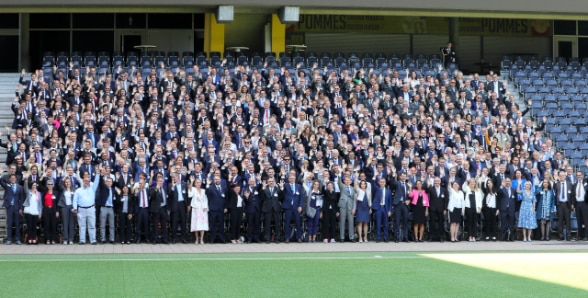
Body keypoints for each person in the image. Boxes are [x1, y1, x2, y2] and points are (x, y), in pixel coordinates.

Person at [73, 170, 100, 245]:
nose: (86, 182)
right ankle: (82, 240)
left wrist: (97, 174)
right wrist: (75, 208)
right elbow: (75, 200)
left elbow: (96, 182)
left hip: (91, 209)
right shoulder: (78, 190)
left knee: (92, 225)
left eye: (88, 181)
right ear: (83, 181)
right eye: (85, 181)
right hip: (81, 209)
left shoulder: (92, 189)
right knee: (82, 226)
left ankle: (93, 240)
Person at [283, 170, 304, 243]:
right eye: (290, 178)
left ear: (295, 179)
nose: (292, 179)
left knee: (298, 223)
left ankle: (299, 237)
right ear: (288, 179)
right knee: (287, 223)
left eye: (293, 178)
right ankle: (287, 237)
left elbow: (301, 197)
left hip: (296, 207)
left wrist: (300, 206)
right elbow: (282, 193)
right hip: (288, 207)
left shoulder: (299, 186)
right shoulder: (285, 185)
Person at [206, 174, 228, 244]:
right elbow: (207, 193)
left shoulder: (223, 188)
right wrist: (207, 185)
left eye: (218, 179)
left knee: (221, 225)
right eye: (215, 179)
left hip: (221, 209)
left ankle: (222, 238)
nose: (217, 180)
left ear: (220, 180)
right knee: (213, 225)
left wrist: (225, 207)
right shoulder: (211, 187)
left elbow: (226, 199)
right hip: (213, 209)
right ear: (213, 180)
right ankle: (213, 239)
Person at [96, 167, 116, 244]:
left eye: (110, 181)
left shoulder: (113, 189)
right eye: (107, 181)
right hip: (103, 208)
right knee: (102, 225)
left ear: (112, 183)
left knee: (112, 225)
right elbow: (101, 181)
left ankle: (112, 239)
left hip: (111, 208)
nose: (108, 182)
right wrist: (101, 175)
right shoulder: (103, 188)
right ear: (105, 182)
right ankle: (103, 239)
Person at [261, 177, 283, 244]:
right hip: (267, 209)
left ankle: (277, 238)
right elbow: (261, 197)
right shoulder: (265, 189)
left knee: (277, 224)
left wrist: (282, 188)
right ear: (267, 182)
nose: (271, 182)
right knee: (267, 225)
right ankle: (267, 238)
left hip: (276, 209)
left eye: (272, 181)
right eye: (270, 181)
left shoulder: (278, 189)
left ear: (274, 182)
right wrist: (263, 188)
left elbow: (282, 197)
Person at [149, 172, 170, 244]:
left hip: (163, 208)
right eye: (159, 181)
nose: (161, 182)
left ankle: (164, 239)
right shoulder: (153, 188)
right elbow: (151, 196)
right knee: (155, 224)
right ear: (157, 182)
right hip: (156, 209)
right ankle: (155, 239)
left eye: (162, 181)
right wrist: (156, 189)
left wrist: (168, 208)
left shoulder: (165, 188)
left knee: (164, 224)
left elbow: (167, 198)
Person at [169, 173, 189, 244]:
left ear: (179, 178)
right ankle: (174, 238)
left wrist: (188, 205)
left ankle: (184, 238)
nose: (174, 179)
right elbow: (169, 196)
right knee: (174, 222)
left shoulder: (184, 184)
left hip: (183, 204)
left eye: (175, 178)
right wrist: (173, 187)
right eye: (173, 178)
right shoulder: (171, 185)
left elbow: (187, 195)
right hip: (175, 205)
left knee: (184, 222)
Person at [427, 177, 448, 242]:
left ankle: (441, 237)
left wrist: (445, 209)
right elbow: (427, 193)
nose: (436, 182)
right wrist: (428, 185)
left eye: (438, 181)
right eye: (435, 181)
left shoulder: (444, 189)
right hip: (432, 208)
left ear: (440, 182)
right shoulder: (431, 189)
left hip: (441, 208)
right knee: (432, 223)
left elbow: (446, 200)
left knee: (441, 223)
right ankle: (431, 237)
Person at [372, 177, 392, 243]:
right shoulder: (377, 189)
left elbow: (390, 202)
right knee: (378, 223)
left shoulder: (388, 191)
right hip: (378, 208)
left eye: (383, 182)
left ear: (385, 183)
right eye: (381, 182)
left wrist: (389, 210)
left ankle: (385, 238)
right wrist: (374, 177)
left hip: (385, 208)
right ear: (379, 183)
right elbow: (373, 184)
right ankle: (378, 238)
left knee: (385, 224)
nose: (382, 183)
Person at [554, 171, 573, 241]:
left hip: (567, 204)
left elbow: (572, 195)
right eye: (560, 176)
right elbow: (554, 193)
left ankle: (568, 236)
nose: (562, 177)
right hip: (560, 204)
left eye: (563, 175)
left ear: (565, 176)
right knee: (560, 221)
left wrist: (572, 204)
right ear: (559, 176)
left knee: (568, 221)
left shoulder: (570, 184)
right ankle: (561, 236)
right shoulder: (557, 184)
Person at [337, 173, 356, 243]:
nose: (347, 181)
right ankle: (342, 237)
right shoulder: (342, 187)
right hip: (343, 206)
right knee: (342, 222)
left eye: (349, 180)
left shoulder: (353, 189)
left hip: (350, 207)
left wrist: (354, 208)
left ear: (351, 182)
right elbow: (339, 182)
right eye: (346, 180)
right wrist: (339, 174)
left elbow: (354, 199)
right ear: (344, 181)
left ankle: (351, 237)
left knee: (351, 222)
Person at [392, 172, 411, 243]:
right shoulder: (397, 183)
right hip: (398, 204)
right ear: (400, 177)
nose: (403, 177)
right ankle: (396, 237)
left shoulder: (408, 184)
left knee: (405, 222)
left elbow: (410, 194)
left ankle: (405, 237)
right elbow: (393, 184)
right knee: (397, 221)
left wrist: (409, 200)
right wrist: (394, 175)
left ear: (406, 177)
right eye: (402, 176)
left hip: (405, 205)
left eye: (404, 176)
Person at [189, 177, 208, 244]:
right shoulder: (193, 189)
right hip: (196, 209)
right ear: (195, 183)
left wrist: (205, 207)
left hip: (202, 209)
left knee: (202, 225)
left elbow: (205, 199)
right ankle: (196, 239)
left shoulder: (203, 190)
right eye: (197, 182)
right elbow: (189, 194)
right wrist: (191, 182)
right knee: (196, 225)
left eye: (199, 182)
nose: (198, 184)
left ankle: (202, 239)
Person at [40, 178, 59, 244]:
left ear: (53, 185)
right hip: (46, 210)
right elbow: (42, 202)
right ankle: (47, 239)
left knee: (53, 225)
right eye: (48, 184)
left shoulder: (56, 193)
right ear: (47, 185)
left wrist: (57, 211)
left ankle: (53, 239)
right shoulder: (44, 193)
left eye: (51, 184)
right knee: (46, 225)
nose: (50, 185)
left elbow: (57, 203)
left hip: (53, 210)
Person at [57, 177, 76, 244]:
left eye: (69, 182)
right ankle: (65, 239)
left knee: (71, 224)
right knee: (65, 223)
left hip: (72, 207)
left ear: (71, 183)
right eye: (66, 182)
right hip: (64, 207)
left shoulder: (73, 190)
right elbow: (59, 184)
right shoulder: (63, 189)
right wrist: (64, 177)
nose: (68, 183)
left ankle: (71, 239)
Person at [243, 177, 261, 243]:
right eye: (251, 181)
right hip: (249, 210)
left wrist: (259, 180)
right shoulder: (245, 189)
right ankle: (250, 238)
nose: (252, 182)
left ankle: (256, 238)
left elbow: (261, 186)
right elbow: (244, 201)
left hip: (257, 209)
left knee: (257, 224)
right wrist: (247, 198)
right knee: (250, 225)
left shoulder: (257, 189)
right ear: (248, 182)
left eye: (253, 181)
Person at [23, 180, 42, 244]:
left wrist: (40, 212)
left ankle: (34, 238)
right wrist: (26, 180)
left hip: (35, 211)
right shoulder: (29, 192)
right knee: (30, 226)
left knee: (34, 226)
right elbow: (25, 188)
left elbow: (40, 204)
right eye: (33, 185)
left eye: (35, 185)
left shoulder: (38, 193)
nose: (34, 186)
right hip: (29, 211)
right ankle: (29, 239)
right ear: (31, 186)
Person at [498, 177, 516, 242]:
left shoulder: (513, 190)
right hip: (503, 209)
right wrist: (501, 186)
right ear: (504, 182)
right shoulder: (502, 189)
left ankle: (511, 238)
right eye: (506, 181)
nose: (508, 182)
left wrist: (514, 208)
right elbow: (498, 196)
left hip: (511, 209)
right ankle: (503, 237)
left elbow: (515, 199)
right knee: (503, 224)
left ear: (510, 183)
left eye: (509, 181)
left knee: (511, 225)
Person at [134, 173, 150, 244]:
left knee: (146, 224)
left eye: (141, 183)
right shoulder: (137, 191)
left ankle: (146, 238)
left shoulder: (148, 191)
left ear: (144, 184)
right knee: (139, 224)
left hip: (146, 209)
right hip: (139, 209)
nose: (140, 185)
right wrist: (135, 194)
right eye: (139, 184)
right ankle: (138, 238)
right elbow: (133, 200)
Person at [573, 170, 588, 241]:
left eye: (580, 175)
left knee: (586, 220)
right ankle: (580, 236)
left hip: (585, 204)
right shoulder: (575, 184)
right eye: (577, 175)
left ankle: (586, 236)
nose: (579, 176)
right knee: (579, 221)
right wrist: (573, 204)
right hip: (577, 204)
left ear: (582, 175)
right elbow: (573, 196)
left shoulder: (586, 183)